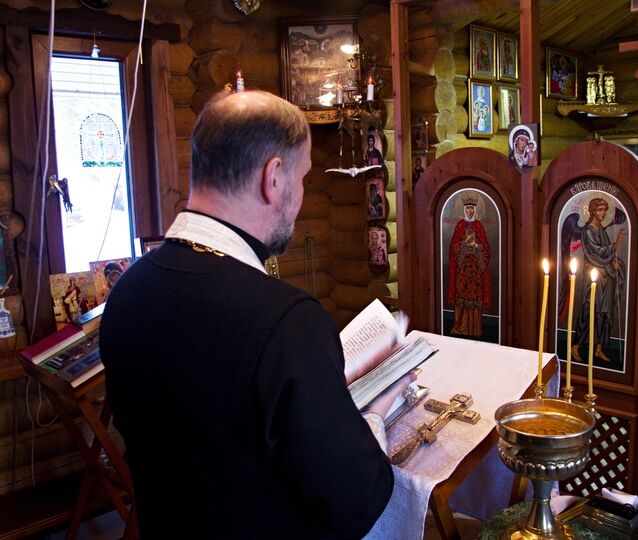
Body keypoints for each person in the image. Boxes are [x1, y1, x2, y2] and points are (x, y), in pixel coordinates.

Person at [99, 91, 413, 538]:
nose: (300, 196)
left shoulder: (127, 291)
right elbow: (356, 499)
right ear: (274, 177)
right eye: (302, 177)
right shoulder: (287, 322)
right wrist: (375, 416)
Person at [571, 198, 626, 363]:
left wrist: (613, 263)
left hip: (606, 278)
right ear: (593, 211)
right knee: (589, 311)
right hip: (593, 278)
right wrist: (616, 243)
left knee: (604, 314)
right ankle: (575, 347)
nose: (603, 213)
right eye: (600, 210)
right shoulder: (588, 231)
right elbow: (597, 253)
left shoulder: (601, 229)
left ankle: (598, 349)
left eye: (605, 210)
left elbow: (607, 255)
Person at [447, 194, 491, 337]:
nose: (470, 211)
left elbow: (487, 251)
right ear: (464, 210)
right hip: (462, 271)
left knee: (474, 299)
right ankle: (460, 327)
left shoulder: (479, 226)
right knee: (461, 298)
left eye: (472, 208)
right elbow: (452, 248)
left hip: (476, 271)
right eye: (467, 209)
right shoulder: (460, 225)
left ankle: (474, 330)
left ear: (475, 210)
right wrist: (463, 245)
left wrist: (477, 246)